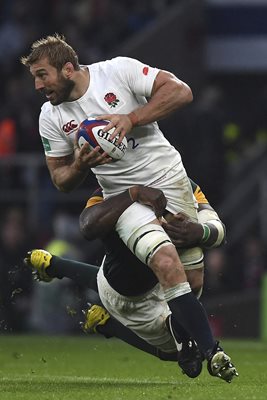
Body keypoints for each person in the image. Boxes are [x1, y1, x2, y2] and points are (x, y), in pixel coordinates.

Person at [21, 34, 236, 381]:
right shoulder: (50, 116)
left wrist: (131, 119)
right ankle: (213, 351)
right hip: (124, 197)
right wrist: (79, 164)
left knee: (191, 281)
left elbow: (181, 92)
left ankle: (184, 343)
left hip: (169, 180)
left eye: (42, 75)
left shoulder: (118, 72)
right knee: (163, 258)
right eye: (34, 76)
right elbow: (60, 179)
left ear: (68, 68)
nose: (37, 85)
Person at [25, 182, 237, 382]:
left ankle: (61, 272)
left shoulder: (180, 182)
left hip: (144, 283)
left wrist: (201, 231)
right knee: (186, 345)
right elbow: (87, 226)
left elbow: (219, 232)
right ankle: (107, 323)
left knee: (185, 342)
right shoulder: (110, 185)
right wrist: (133, 193)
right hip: (129, 286)